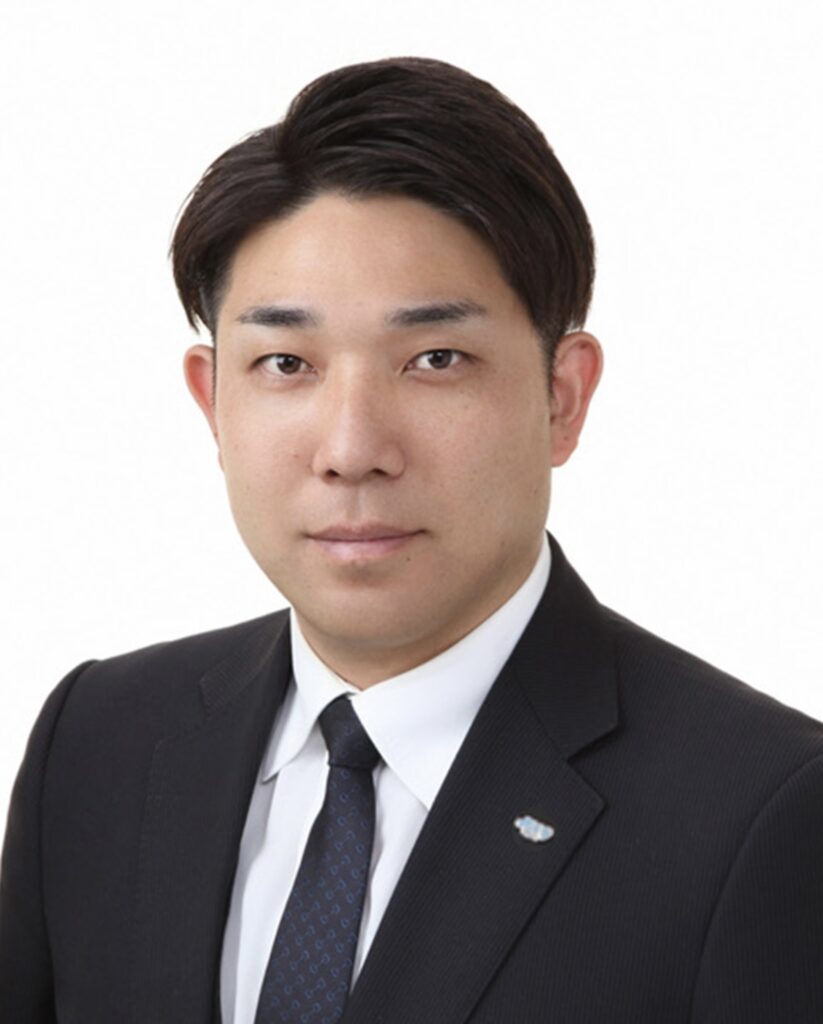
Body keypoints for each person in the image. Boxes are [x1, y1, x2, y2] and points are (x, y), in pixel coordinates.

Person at [1, 55, 821, 1024]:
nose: (352, 450)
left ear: (562, 397)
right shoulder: (98, 743)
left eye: (435, 358)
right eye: (285, 363)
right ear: (211, 401)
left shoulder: (764, 815)